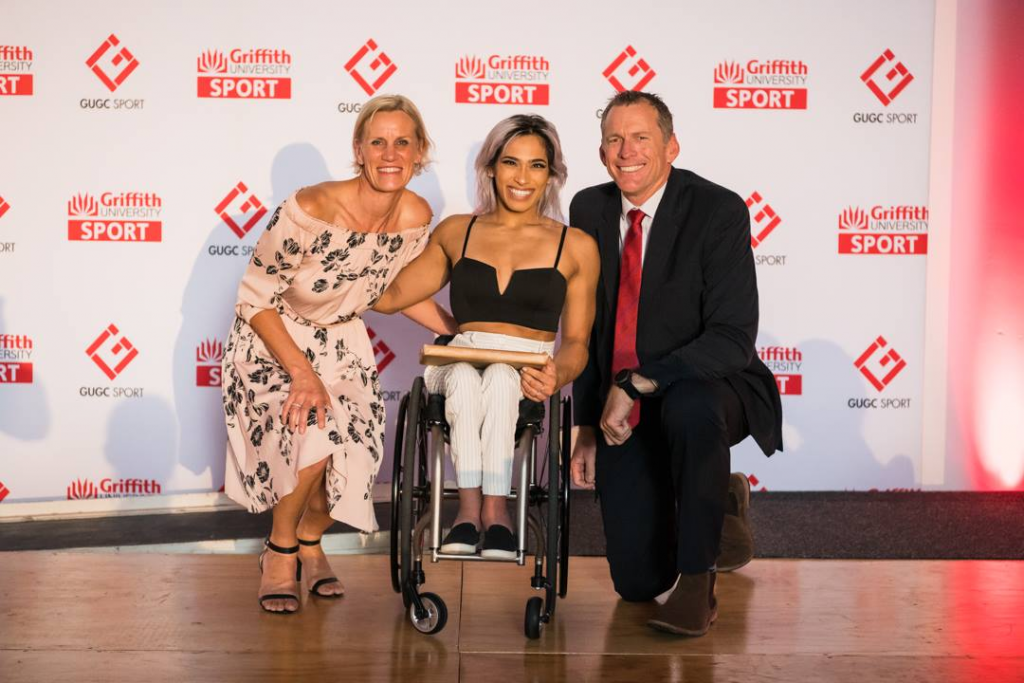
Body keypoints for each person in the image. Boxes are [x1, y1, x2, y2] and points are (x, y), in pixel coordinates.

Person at [222, 94, 457, 613]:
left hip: (341, 343)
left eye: (403, 142)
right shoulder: (311, 206)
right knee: (315, 429)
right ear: (358, 149)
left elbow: (396, 290)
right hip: (272, 340)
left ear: (420, 152)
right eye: (378, 142)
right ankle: (281, 551)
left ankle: (310, 538)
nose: (390, 153)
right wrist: (303, 374)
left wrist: (461, 335)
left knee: (356, 452)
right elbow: (255, 297)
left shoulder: (417, 215)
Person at [569, 91, 783, 636]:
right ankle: (721, 502)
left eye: (641, 137)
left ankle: (697, 581)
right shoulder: (588, 209)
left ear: (671, 147)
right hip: (623, 404)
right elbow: (589, 327)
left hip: (711, 386)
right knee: (637, 583)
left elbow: (733, 337)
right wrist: (585, 423)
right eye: (614, 139)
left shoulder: (718, 209)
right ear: (600, 152)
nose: (627, 151)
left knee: (689, 408)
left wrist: (640, 382)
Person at [375, 114, 599, 559]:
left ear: (551, 175)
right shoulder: (458, 230)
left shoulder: (575, 246)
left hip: (528, 367)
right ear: (491, 167)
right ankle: (469, 510)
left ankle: (496, 513)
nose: (522, 177)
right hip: (457, 360)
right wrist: (450, 327)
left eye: (537, 166)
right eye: (511, 162)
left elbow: (576, 342)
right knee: (463, 374)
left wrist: (558, 374)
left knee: (499, 377)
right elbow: (390, 295)